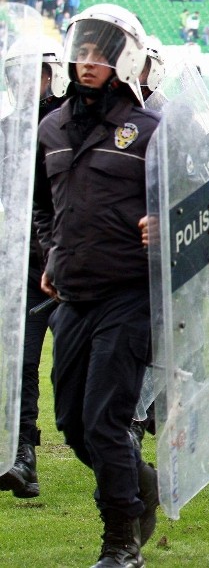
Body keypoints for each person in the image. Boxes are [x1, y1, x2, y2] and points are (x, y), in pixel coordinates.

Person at [33, 3, 160, 566]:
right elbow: (43, 206)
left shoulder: (154, 129)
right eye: (82, 50)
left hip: (130, 294)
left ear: (124, 59)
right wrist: (50, 252)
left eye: (100, 53)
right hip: (72, 296)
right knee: (71, 423)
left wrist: (165, 224)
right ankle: (140, 483)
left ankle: (120, 538)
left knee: (105, 420)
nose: (88, 62)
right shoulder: (51, 127)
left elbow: (194, 205)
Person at [0, 39, 68, 501]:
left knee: (80, 369)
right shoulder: (5, 130)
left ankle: (117, 444)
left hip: (77, 270)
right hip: (24, 270)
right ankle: (23, 454)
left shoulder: (76, 124)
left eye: (37, 74)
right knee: (20, 367)